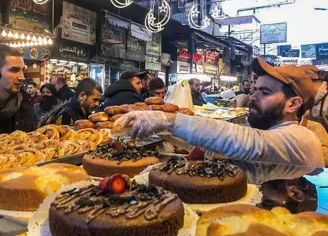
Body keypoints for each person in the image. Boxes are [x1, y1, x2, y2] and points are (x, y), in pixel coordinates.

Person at [116, 58, 324, 167]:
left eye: (265, 92)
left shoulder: (301, 139)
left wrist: (168, 119)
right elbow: (218, 150)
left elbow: (241, 140)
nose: (253, 96)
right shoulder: (273, 131)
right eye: (255, 89)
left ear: (293, 104)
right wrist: (166, 132)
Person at [38, 78, 102, 126]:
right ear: (82, 96)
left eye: (99, 100)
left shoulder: (84, 112)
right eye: (95, 100)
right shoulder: (66, 115)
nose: (97, 104)